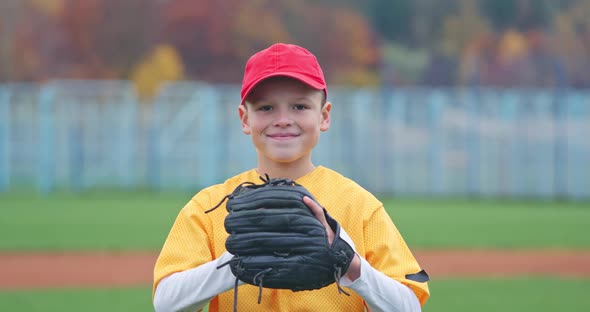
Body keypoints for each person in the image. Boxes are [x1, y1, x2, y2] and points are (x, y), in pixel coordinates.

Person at [153, 43, 430, 312]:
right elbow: (166, 303)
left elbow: (408, 306)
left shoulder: (358, 205)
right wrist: (237, 261)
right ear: (244, 119)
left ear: (324, 116)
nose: (283, 119)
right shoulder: (210, 206)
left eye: (299, 107)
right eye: (266, 108)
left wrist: (350, 263)